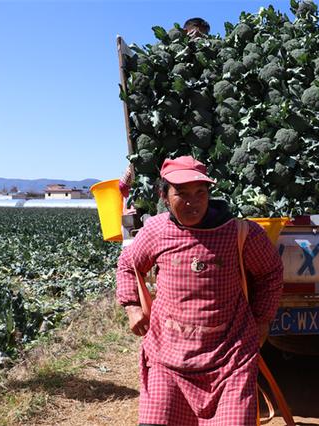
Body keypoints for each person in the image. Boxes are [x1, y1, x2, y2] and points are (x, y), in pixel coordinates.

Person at [116, 155, 284, 425]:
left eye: (200, 193)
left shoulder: (241, 233)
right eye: (182, 194)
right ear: (164, 196)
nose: (193, 203)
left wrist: (262, 319)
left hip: (229, 360)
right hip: (167, 359)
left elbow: (270, 273)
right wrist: (132, 306)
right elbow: (127, 263)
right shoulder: (157, 231)